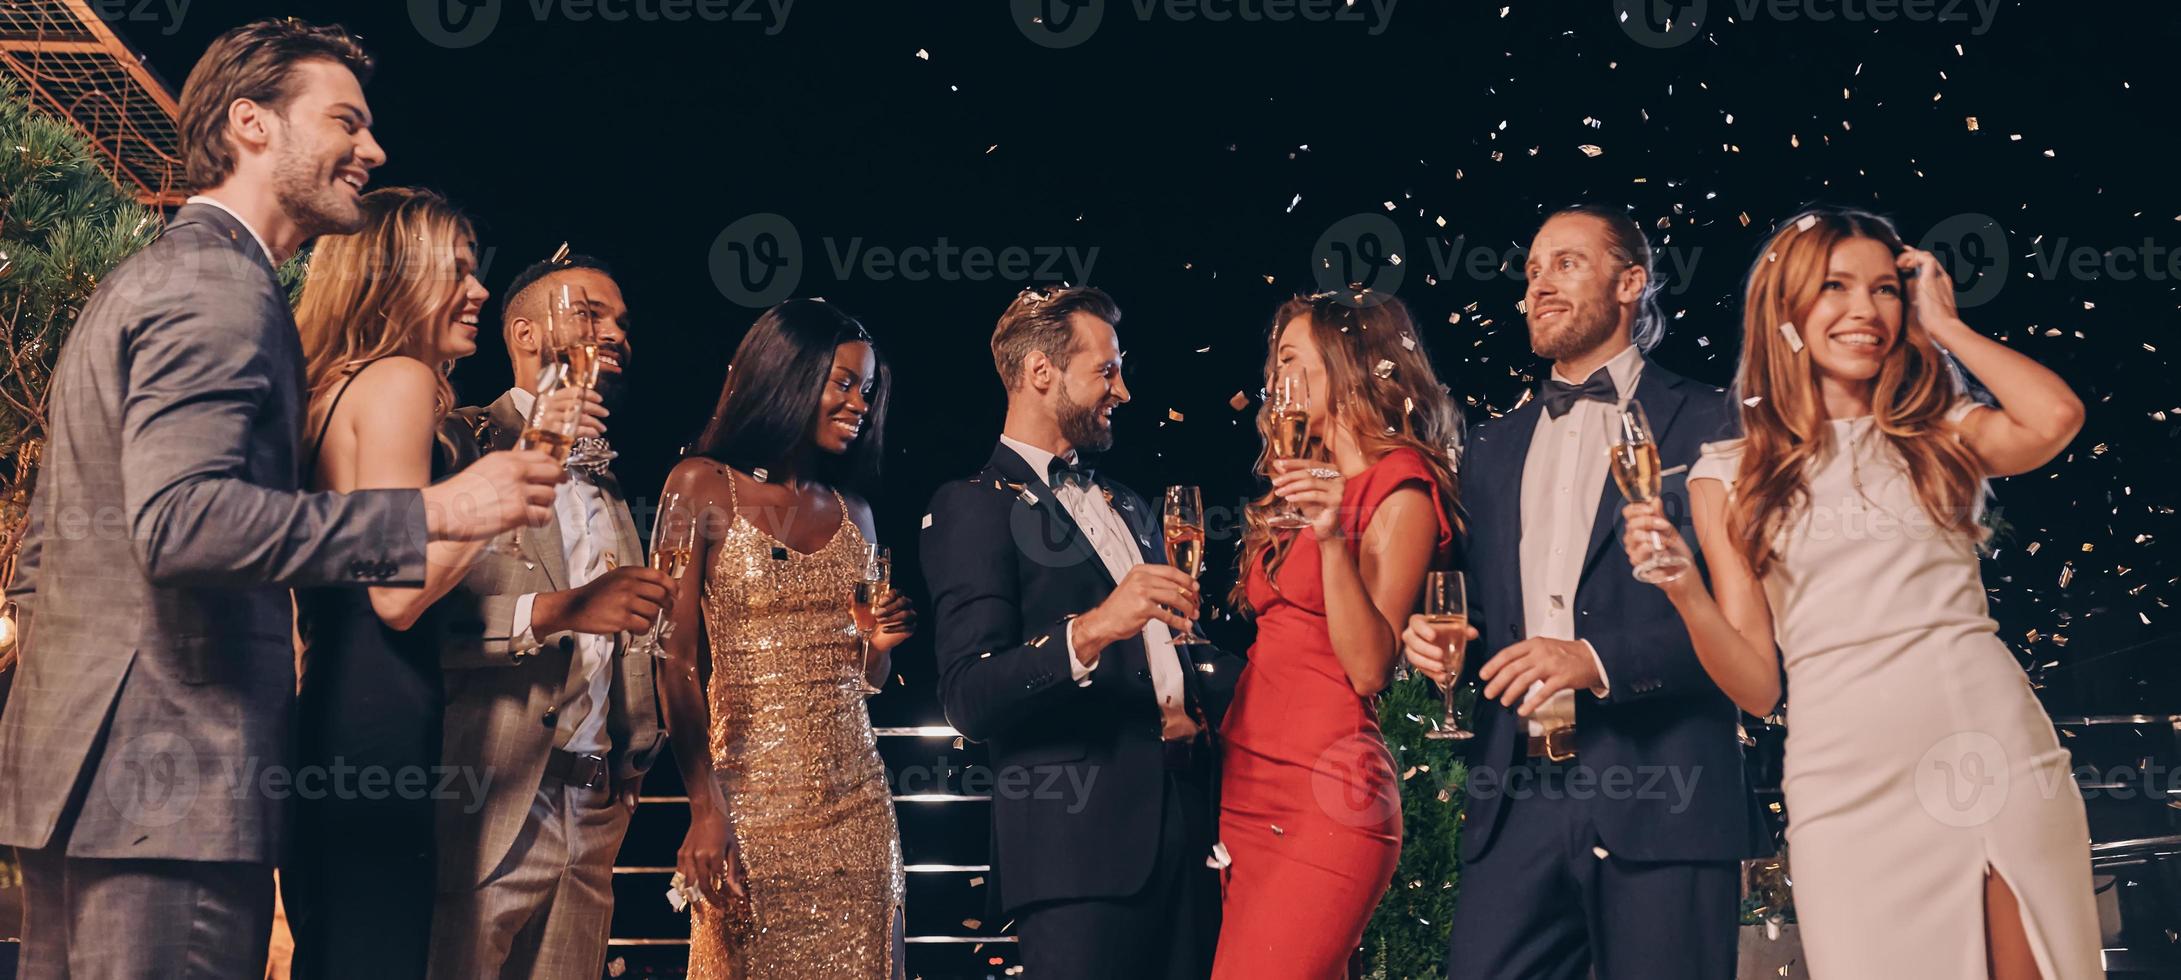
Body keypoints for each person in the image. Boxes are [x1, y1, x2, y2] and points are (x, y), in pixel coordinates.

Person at [0, 20, 558, 980]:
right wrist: (440, 509)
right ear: (251, 124)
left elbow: (44, 558)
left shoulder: (152, 274)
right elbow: (186, 524)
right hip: (166, 801)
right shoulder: (222, 287)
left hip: (97, 790)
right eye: (345, 121)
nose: (372, 150)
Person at [1620, 207, 2099, 979]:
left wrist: (1945, 325)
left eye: (1883, 289)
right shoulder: (1725, 473)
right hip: (1841, 782)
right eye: (1834, 287)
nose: (1863, 310)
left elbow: (2055, 417)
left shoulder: (1938, 428)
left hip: (1986, 748)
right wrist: (1684, 591)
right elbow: (1754, 686)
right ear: (1787, 309)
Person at [1401, 205, 1766, 980]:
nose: (1538, 285)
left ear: (1630, 283)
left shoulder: (1715, 422)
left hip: (1665, 791)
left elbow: (1751, 628)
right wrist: (1443, 644)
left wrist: (1594, 660)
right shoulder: (1490, 449)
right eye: (1532, 271)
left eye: (1564, 263)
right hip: (1516, 799)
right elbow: (1487, 617)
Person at [922, 286, 1244, 979]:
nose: (1122, 390)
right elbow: (969, 697)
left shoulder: (1126, 502)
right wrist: (1093, 629)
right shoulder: (971, 506)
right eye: (1107, 370)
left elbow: (1183, 652)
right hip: (1075, 859)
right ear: (1043, 373)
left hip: (1190, 834)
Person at [285, 185, 529, 978]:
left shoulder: (332, 385)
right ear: (396, 276)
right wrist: (502, 495)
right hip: (379, 714)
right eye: (456, 270)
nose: (480, 290)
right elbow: (395, 593)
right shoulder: (398, 380)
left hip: (329, 710)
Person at [427, 253, 673, 980]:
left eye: (622, 323)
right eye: (592, 314)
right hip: (491, 800)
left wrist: (635, 753)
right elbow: (415, 620)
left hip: (594, 810)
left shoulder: (608, 475)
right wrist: (563, 610)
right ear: (527, 333)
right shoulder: (462, 441)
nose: (616, 334)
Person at [657, 299, 915, 979]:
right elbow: (673, 660)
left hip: (858, 805)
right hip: (746, 804)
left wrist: (879, 646)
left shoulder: (855, 512)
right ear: (788, 375)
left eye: (867, 388)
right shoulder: (700, 486)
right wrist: (704, 807)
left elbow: (868, 680)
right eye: (842, 383)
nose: (859, 402)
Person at [1211, 291, 1462, 978]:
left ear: (1346, 364)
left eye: (1290, 359)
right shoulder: (1300, 481)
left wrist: (1329, 539)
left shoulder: (1400, 488)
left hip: (1326, 792)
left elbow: (1369, 667)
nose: (1273, 380)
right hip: (1246, 785)